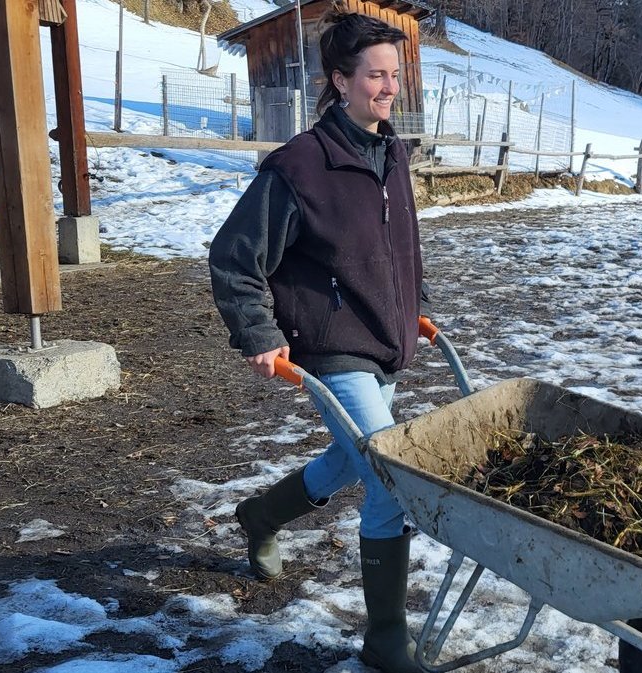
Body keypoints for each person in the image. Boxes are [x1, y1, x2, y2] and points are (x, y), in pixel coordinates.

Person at [208, 7, 426, 673]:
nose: (389, 89)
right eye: (375, 77)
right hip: (330, 345)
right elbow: (234, 257)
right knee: (388, 477)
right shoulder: (300, 166)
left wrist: (413, 307)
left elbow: (395, 248)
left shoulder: (391, 152)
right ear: (339, 80)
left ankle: (261, 516)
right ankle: (387, 639)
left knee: (345, 460)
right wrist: (259, 333)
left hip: (381, 338)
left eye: (395, 75)